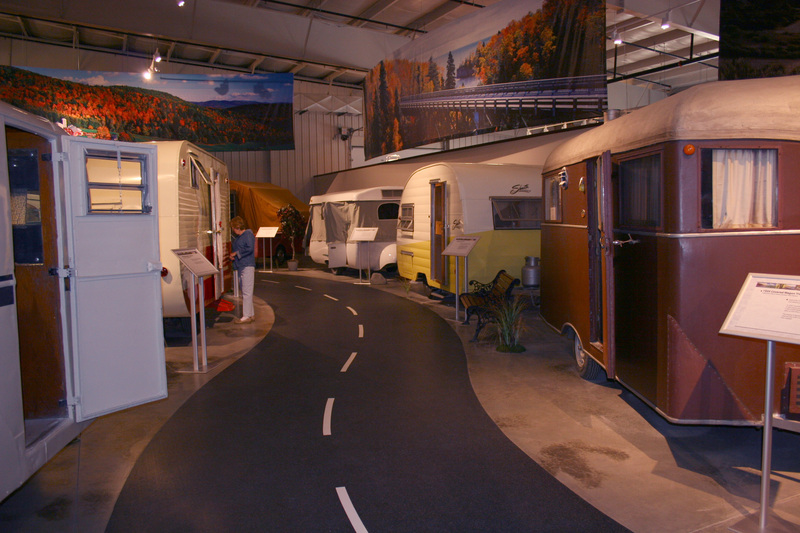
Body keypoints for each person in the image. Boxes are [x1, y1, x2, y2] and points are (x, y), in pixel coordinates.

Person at [229, 216, 256, 324]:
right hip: (243, 265)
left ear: (237, 226)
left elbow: (249, 248)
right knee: (246, 290)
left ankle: (246, 316)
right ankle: (251, 314)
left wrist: (236, 253)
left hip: (247, 265)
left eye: (233, 228)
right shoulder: (242, 236)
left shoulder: (248, 234)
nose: (233, 230)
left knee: (246, 291)